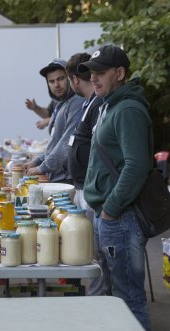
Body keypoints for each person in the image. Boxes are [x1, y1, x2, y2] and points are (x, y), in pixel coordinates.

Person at [79, 45, 153, 331]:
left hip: (121, 218)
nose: (94, 78)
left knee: (129, 298)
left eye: (101, 72)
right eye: (91, 73)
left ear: (120, 73)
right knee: (114, 295)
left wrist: (110, 208)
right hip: (109, 215)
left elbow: (136, 165)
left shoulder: (128, 109)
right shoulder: (110, 103)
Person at [65, 52, 109, 297]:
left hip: (91, 189)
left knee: (94, 252)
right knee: (91, 249)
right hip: (84, 186)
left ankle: (99, 299)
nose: (94, 79)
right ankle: (96, 297)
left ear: (73, 79)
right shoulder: (88, 103)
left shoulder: (97, 103)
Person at [23, 59, 85, 183]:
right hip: (59, 177)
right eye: (51, 81)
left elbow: (67, 142)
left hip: (69, 179)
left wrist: (42, 167)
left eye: (60, 79)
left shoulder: (77, 102)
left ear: (70, 78)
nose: (56, 85)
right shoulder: (60, 104)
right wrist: (37, 161)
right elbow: (55, 144)